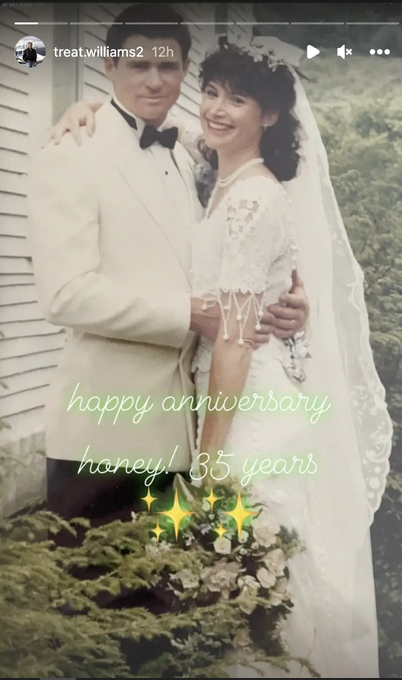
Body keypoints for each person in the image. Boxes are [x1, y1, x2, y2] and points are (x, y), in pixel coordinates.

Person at [43, 23, 394, 679]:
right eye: (211, 91)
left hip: (232, 409)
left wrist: (207, 460)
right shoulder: (201, 163)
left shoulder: (247, 194)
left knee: (247, 582)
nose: (212, 106)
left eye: (235, 98)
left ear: (272, 113)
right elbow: (68, 290)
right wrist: (87, 105)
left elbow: (235, 330)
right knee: (203, 590)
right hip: (157, 417)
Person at [28, 4, 308, 548]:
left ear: (184, 72)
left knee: (166, 621)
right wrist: (189, 314)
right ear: (109, 67)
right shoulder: (73, 151)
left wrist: (294, 303)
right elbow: (64, 294)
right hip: (103, 436)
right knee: (98, 613)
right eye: (138, 65)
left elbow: (239, 256)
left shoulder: (188, 155)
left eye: (169, 66)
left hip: (182, 435)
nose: (155, 80)